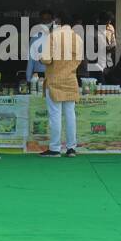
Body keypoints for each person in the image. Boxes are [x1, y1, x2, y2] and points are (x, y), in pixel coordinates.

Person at [40, 13, 84, 156]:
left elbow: (46, 60)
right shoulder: (77, 38)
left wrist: (40, 57)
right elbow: (79, 61)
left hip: (54, 81)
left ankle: (55, 149)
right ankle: (71, 148)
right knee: (70, 115)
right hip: (71, 80)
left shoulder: (53, 36)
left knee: (55, 115)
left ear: (58, 23)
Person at [26, 9, 54, 85]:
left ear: (52, 21)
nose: (46, 22)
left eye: (48, 19)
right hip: (38, 75)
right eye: (44, 20)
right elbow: (30, 60)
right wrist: (28, 79)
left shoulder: (58, 37)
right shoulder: (35, 37)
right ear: (40, 21)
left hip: (55, 74)